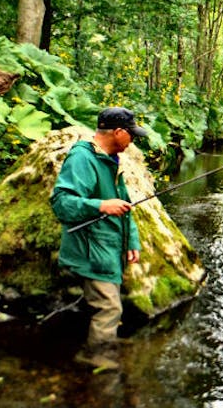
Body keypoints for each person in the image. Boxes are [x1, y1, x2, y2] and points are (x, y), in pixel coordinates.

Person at [51, 107, 148, 370]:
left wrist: (132, 242)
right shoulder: (82, 159)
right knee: (109, 308)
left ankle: (103, 343)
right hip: (90, 251)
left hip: (108, 249)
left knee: (106, 306)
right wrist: (100, 206)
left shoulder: (111, 159)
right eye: (132, 135)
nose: (133, 141)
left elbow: (125, 206)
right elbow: (62, 203)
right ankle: (96, 356)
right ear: (117, 132)